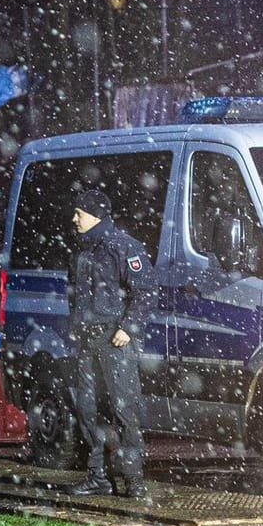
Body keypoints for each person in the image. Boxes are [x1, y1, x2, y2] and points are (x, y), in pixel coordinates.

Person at [65, 187, 157, 499]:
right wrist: (76, 326)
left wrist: (128, 327)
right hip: (89, 342)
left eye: (79, 213)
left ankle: (133, 481)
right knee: (88, 410)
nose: (74, 218)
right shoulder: (83, 251)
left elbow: (145, 291)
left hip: (114, 341)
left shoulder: (123, 246)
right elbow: (74, 292)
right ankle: (98, 477)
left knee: (123, 410)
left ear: (96, 215)